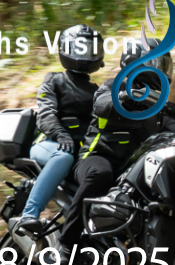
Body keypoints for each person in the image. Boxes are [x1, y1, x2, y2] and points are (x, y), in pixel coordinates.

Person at [51, 38, 175, 265]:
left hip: (130, 171)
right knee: (100, 174)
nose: (162, 69)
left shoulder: (158, 106)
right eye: (158, 62)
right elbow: (101, 104)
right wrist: (125, 99)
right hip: (96, 157)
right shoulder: (115, 86)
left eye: (164, 64)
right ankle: (66, 246)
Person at [8, 24, 104, 241]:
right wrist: (60, 134)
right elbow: (45, 115)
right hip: (49, 145)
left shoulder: (97, 91)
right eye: (80, 48)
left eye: (91, 49)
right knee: (63, 156)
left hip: (80, 153)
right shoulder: (54, 80)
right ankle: (29, 215)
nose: (85, 54)